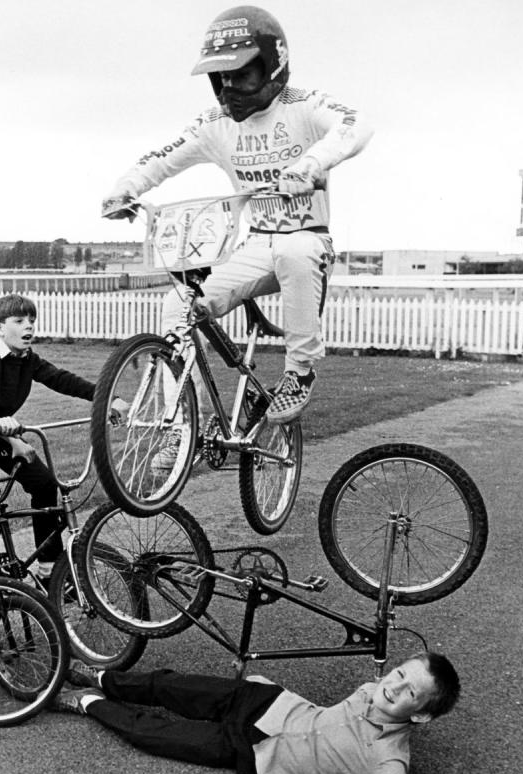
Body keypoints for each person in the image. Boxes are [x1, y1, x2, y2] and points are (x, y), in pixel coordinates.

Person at [102, 5, 374, 469]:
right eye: (219, 78)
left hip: (307, 242)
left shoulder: (303, 106)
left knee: (294, 247)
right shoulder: (217, 124)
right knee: (179, 305)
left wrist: (312, 164)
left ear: (273, 68)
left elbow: (356, 125)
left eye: (240, 75)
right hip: (255, 246)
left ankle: (299, 372)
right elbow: (162, 157)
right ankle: (183, 425)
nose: (228, 88)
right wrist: (124, 190)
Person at [53, 653, 460, 774]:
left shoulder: (387, 763)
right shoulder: (374, 689)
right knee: (170, 686)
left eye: (410, 692)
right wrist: (275, 688)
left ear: (421, 713)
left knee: (155, 734)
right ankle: (104, 678)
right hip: (262, 703)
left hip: (253, 753)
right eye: (401, 673)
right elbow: (326, 718)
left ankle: (88, 702)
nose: (394, 686)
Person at [0, 293, 127, 581]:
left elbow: (62, 379)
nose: (28, 327)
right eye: (19, 321)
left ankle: (49, 569)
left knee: (45, 485)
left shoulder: (27, 358)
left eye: (31, 320)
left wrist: (109, 397)